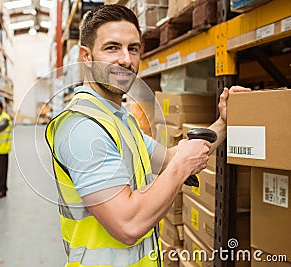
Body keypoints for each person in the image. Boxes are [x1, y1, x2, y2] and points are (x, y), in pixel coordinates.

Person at [45, 4, 251, 267]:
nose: (126, 60)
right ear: (86, 56)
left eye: (133, 48)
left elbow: (171, 158)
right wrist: (180, 168)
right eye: (112, 48)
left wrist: (223, 122)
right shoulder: (83, 127)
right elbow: (128, 224)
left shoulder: (120, 121)